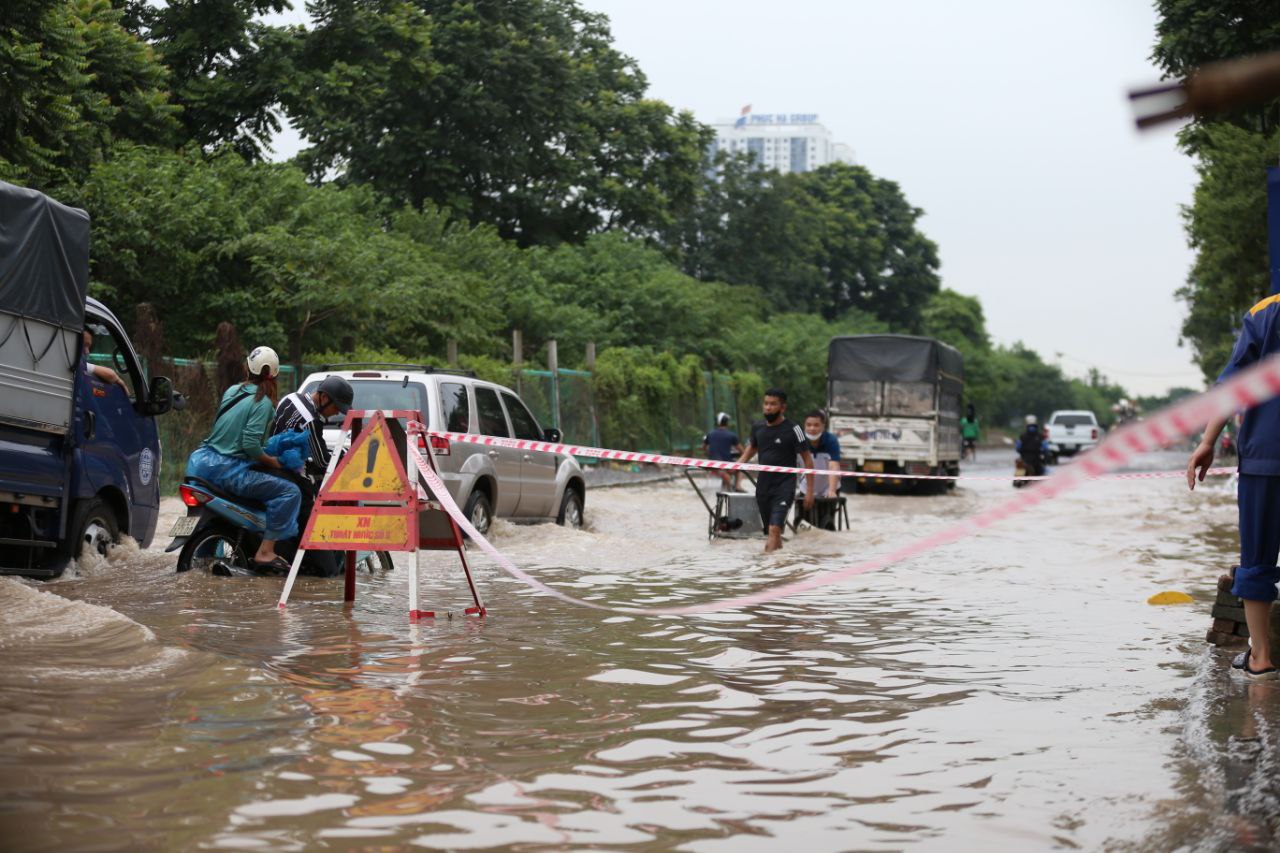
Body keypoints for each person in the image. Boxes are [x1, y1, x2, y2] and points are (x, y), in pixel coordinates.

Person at [1188, 293, 1280, 681]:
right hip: (1263, 453)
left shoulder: (1267, 312)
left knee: (1257, 557)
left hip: (1266, 453)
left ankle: (1260, 657)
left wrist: (1209, 440)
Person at [185, 346, 301, 573]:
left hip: (199, 463)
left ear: (247, 368)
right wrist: (274, 462)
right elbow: (249, 445)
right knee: (290, 492)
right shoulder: (264, 403)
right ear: (275, 374)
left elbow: (233, 434)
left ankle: (208, 553)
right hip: (228, 471)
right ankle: (266, 551)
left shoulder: (232, 391)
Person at [268, 377, 353, 577]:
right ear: (323, 398)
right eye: (336, 408)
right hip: (286, 475)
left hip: (269, 465)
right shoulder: (311, 421)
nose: (336, 413)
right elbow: (323, 461)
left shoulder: (291, 398)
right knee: (326, 568)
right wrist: (346, 455)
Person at [736, 389, 815, 553]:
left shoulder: (794, 429)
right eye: (766, 403)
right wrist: (738, 465)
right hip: (763, 487)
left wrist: (809, 492)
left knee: (774, 529)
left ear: (783, 407)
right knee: (773, 532)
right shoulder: (757, 427)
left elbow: (807, 459)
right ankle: (781, 569)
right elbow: (752, 448)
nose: (768, 407)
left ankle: (768, 571)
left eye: (773, 404)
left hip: (785, 486)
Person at [796, 410, 843, 530]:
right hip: (805, 488)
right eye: (808, 425)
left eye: (816, 425)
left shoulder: (831, 441)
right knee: (802, 525)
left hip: (828, 488)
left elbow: (833, 466)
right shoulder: (798, 441)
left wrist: (832, 491)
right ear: (804, 425)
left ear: (823, 426)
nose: (812, 428)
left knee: (826, 524)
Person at [702, 412, 744, 492]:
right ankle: (738, 486)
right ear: (727, 423)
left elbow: (703, 447)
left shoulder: (710, 433)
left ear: (717, 422)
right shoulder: (732, 435)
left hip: (712, 465)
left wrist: (710, 454)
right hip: (726, 465)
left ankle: (725, 490)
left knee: (725, 475)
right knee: (740, 467)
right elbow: (742, 451)